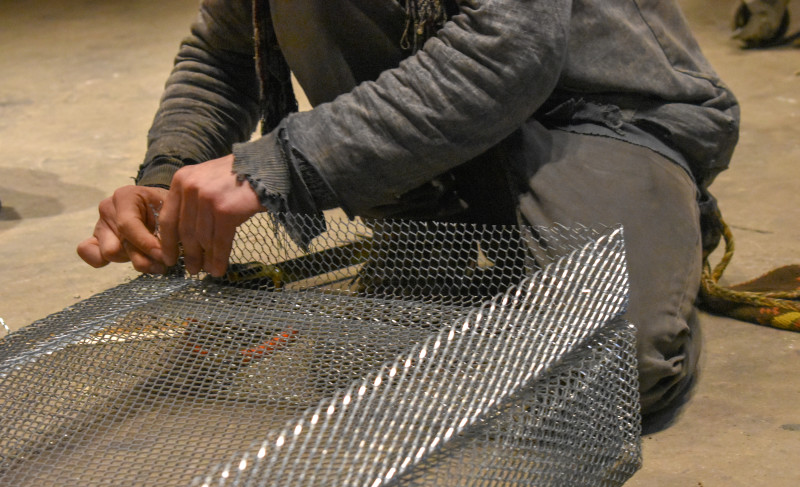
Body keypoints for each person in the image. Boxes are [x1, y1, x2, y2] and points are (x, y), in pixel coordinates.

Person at [77, 0, 740, 416]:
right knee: (358, 370)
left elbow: (510, 49)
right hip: (438, 144)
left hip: (593, 110)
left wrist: (283, 162)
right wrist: (167, 175)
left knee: (613, 368)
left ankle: (655, 204)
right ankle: (445, 214)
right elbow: (223, 53)